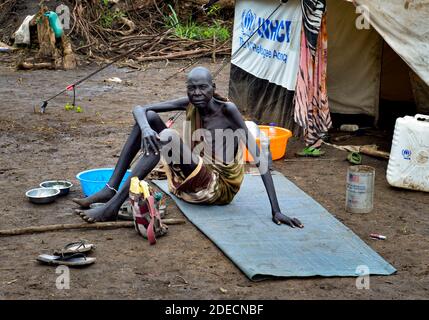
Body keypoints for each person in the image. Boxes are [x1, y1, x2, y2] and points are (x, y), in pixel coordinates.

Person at [74, 67, 303, 228]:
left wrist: (276, 210)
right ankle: (110, 188)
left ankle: (112, 207)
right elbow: (140, 108)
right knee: (150, 118)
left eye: (203, 88)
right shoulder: (191, 103)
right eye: (191, 88)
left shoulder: (227, 111)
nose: (197, 93)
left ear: (213, 87)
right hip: (193, 177)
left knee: (167, 136)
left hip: (216, 189)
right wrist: (145, 128)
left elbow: (258, 156)